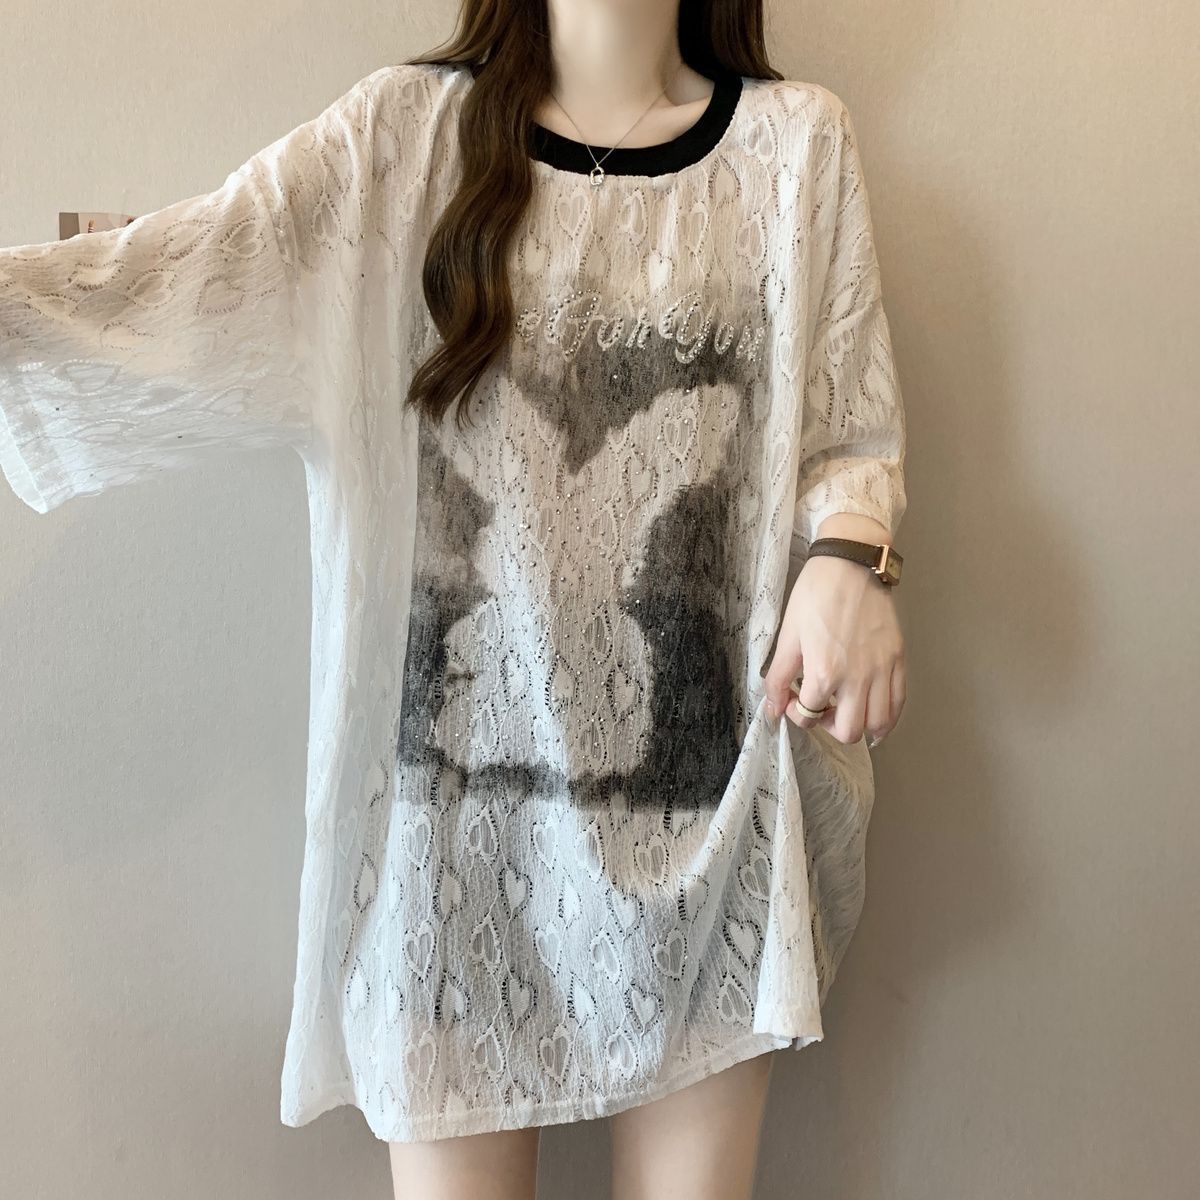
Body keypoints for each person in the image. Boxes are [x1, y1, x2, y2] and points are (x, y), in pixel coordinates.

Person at [0, 1, 908, 1196]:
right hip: (445, 853)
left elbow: (845, 422)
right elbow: (187, 275)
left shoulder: (797, 148)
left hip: (709, 827)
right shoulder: (400, 143)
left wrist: (852, 558)